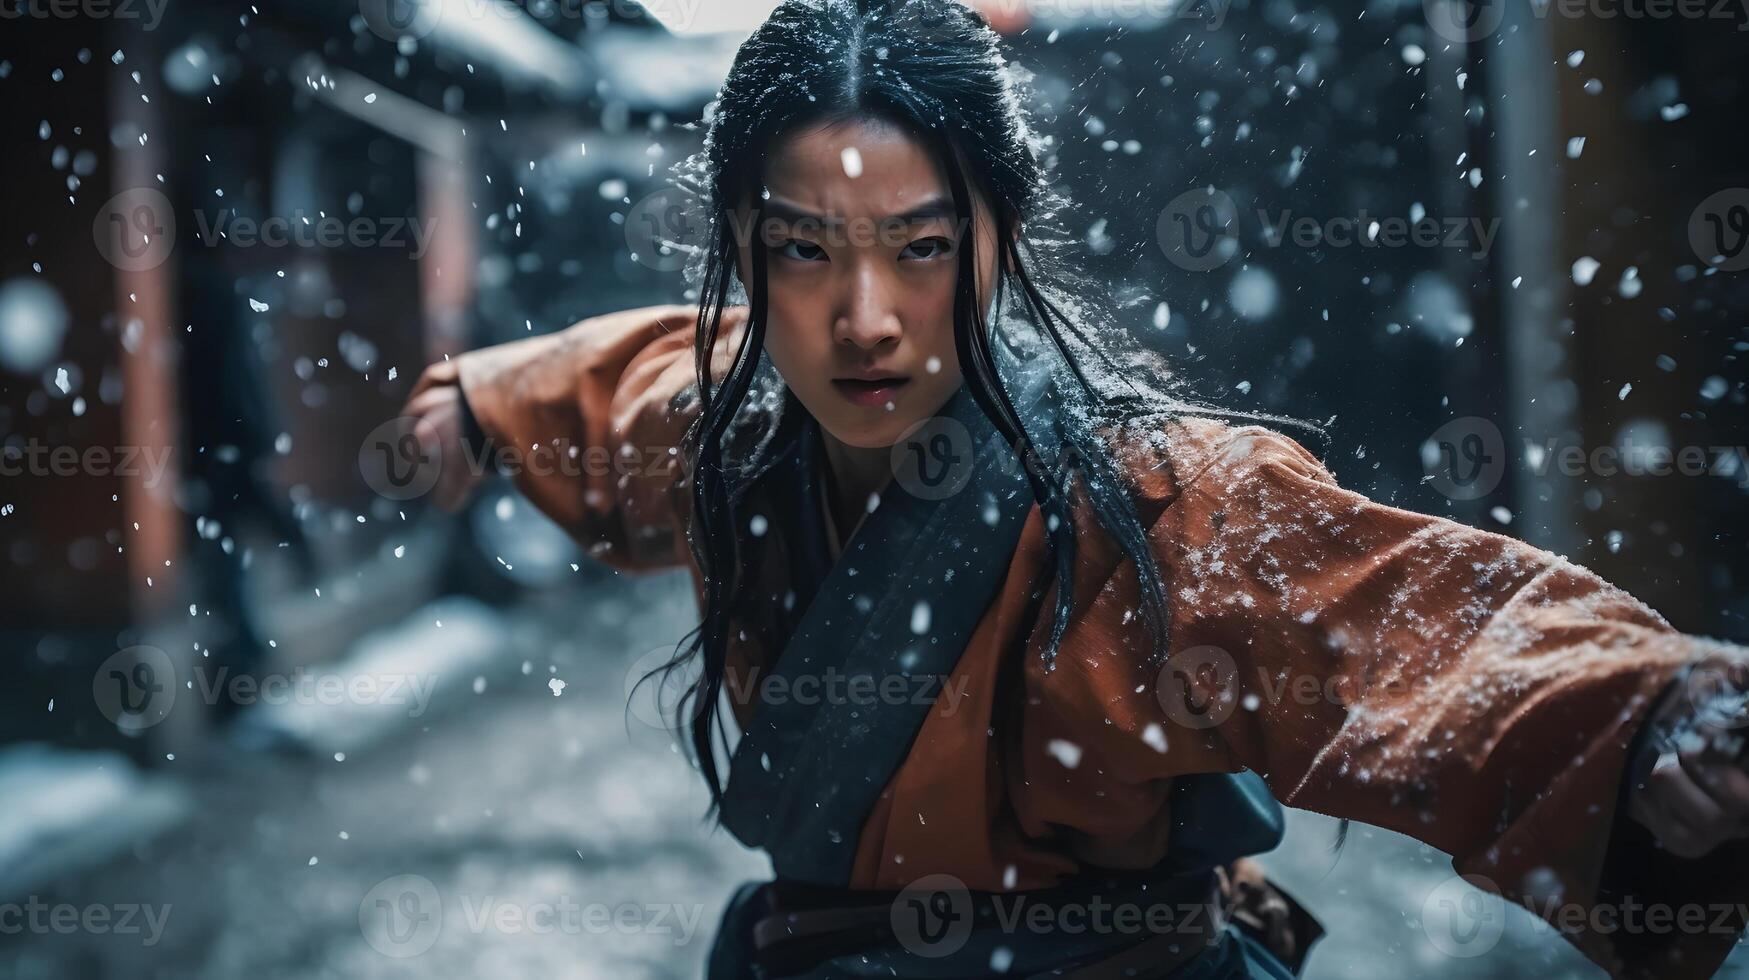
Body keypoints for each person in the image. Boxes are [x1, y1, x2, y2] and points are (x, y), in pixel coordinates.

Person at [401, 2, 1749, 976]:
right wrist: (482, 400)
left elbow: (1399, 618)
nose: (863, 318)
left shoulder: (1148, 502)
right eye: (803, 254)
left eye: (920, 248)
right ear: (744, 260)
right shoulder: (733, 442)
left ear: (999, 238)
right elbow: (621, 381)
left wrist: (1644, 719)